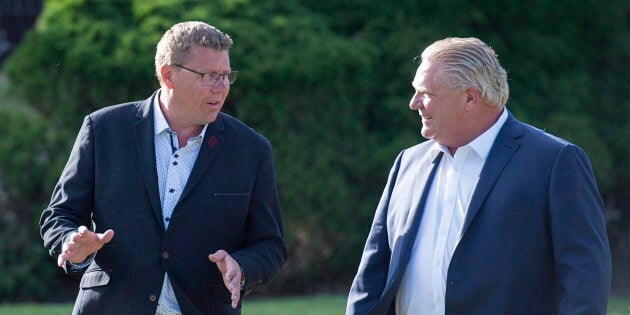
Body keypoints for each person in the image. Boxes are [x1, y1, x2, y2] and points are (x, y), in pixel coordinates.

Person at [346, 37, 611, 315]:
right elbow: (372, 274)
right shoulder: (408, 162)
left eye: (427, 93)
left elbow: (585, 277)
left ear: (470, 97)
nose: (414, 103)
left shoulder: (554, 160)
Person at [40, 21, 287, 315]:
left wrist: (242, 267)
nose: (222, 88)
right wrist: (72, 243)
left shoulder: (251, 149)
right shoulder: (103, 129)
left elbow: (270, 245)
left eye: (226, 75)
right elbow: (59, 214)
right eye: (209, 76)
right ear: (168, 75)